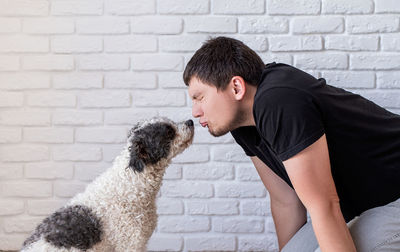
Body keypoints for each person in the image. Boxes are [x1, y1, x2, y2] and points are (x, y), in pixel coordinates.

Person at [182, 36, 400, 252]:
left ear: (236, 87)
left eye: (200, 97)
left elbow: (324, 204)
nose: (195, 111)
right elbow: (284, 199)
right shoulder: (242, 123)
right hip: (360, 207)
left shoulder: (279, 101)